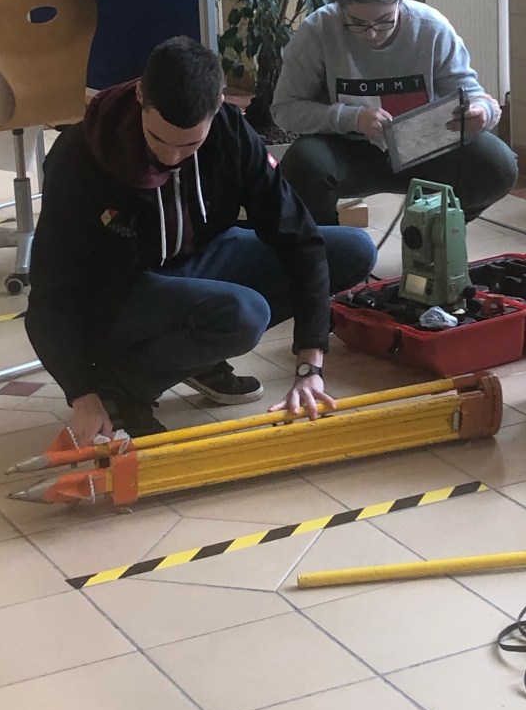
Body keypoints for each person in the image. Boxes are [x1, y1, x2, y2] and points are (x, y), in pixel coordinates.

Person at [25, 36, 377, 446]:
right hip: (120, 291)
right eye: (158, 139)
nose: (171, 157)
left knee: (352, 250)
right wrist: (81, 393)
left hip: (201, 258)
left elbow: (297, 237)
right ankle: (122, 387)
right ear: (140, 95)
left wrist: (309, 364)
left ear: (219, 105)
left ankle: (199, 356)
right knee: (244, 314)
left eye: (190, 144)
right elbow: (49, 294)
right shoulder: (79, 155)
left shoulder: (231, 131)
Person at [272, 0, 518, 225]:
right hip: (345, 147)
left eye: (383, 20)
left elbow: (470, 93)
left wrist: (481, 111)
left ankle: (432, 230)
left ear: (401, 2)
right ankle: (331, 244)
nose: (371, 33)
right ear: (340, 6)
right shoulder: (318, 30)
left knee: (497, 164)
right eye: (357, 23)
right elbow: (285, 109)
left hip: (423, 145)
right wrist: (352, 118)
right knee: (303, 165)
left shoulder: (431, 28)